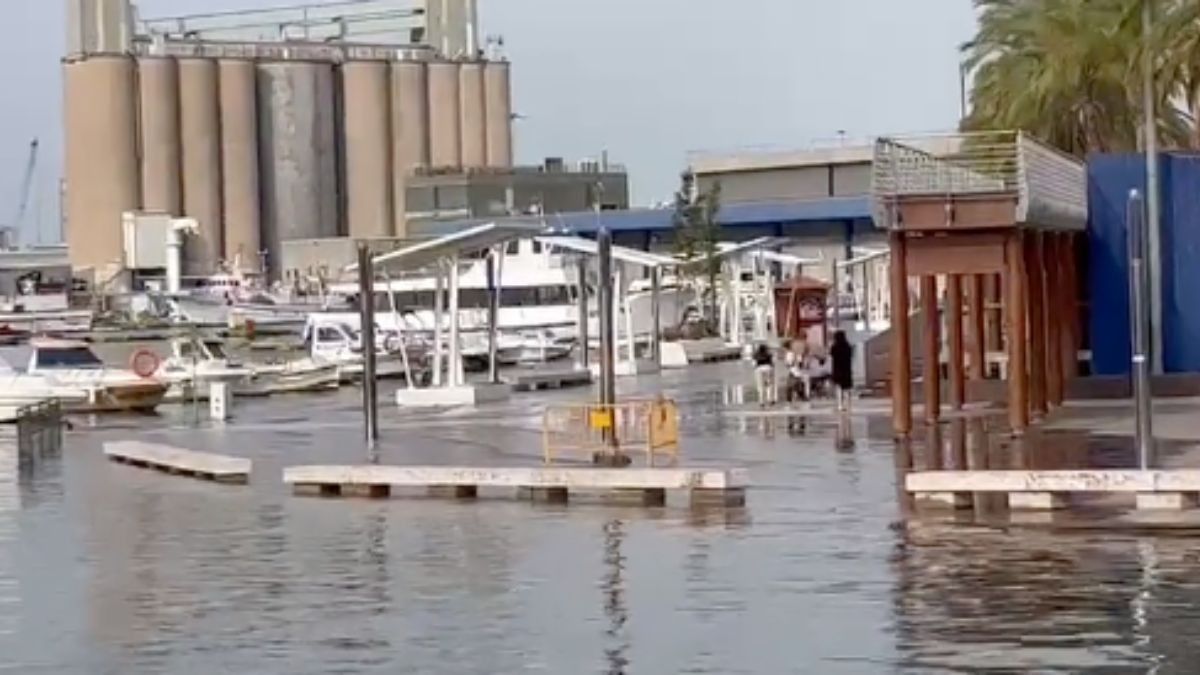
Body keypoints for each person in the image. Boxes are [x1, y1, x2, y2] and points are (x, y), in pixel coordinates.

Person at [830, 330, 854, 412]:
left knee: (839, 388)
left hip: (837, 370)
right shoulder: (848, 346)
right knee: (847, 388)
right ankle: (848, 405)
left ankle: (840, 405)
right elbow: (851, 356)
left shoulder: (834, 347)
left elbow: (831, 355)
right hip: (846, 369)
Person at [784, 337, 811, 403]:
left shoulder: (790, 353)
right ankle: (801, 396)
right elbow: (800, 362)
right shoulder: (795, 353)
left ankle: (790, 398)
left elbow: (789, 363)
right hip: (796, 370)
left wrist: (793, 364)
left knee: (791, 385)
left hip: (794, 370)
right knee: (796, 384)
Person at [752, 343, 776, 407]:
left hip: (759, 370)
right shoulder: (769, 354)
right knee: (770, 385)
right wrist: (771, 367)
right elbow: (773, 363)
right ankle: (771, 400)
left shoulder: (755, 355)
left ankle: (762, 402)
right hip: (768, 369)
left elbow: (753, 364)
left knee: (760, 386)